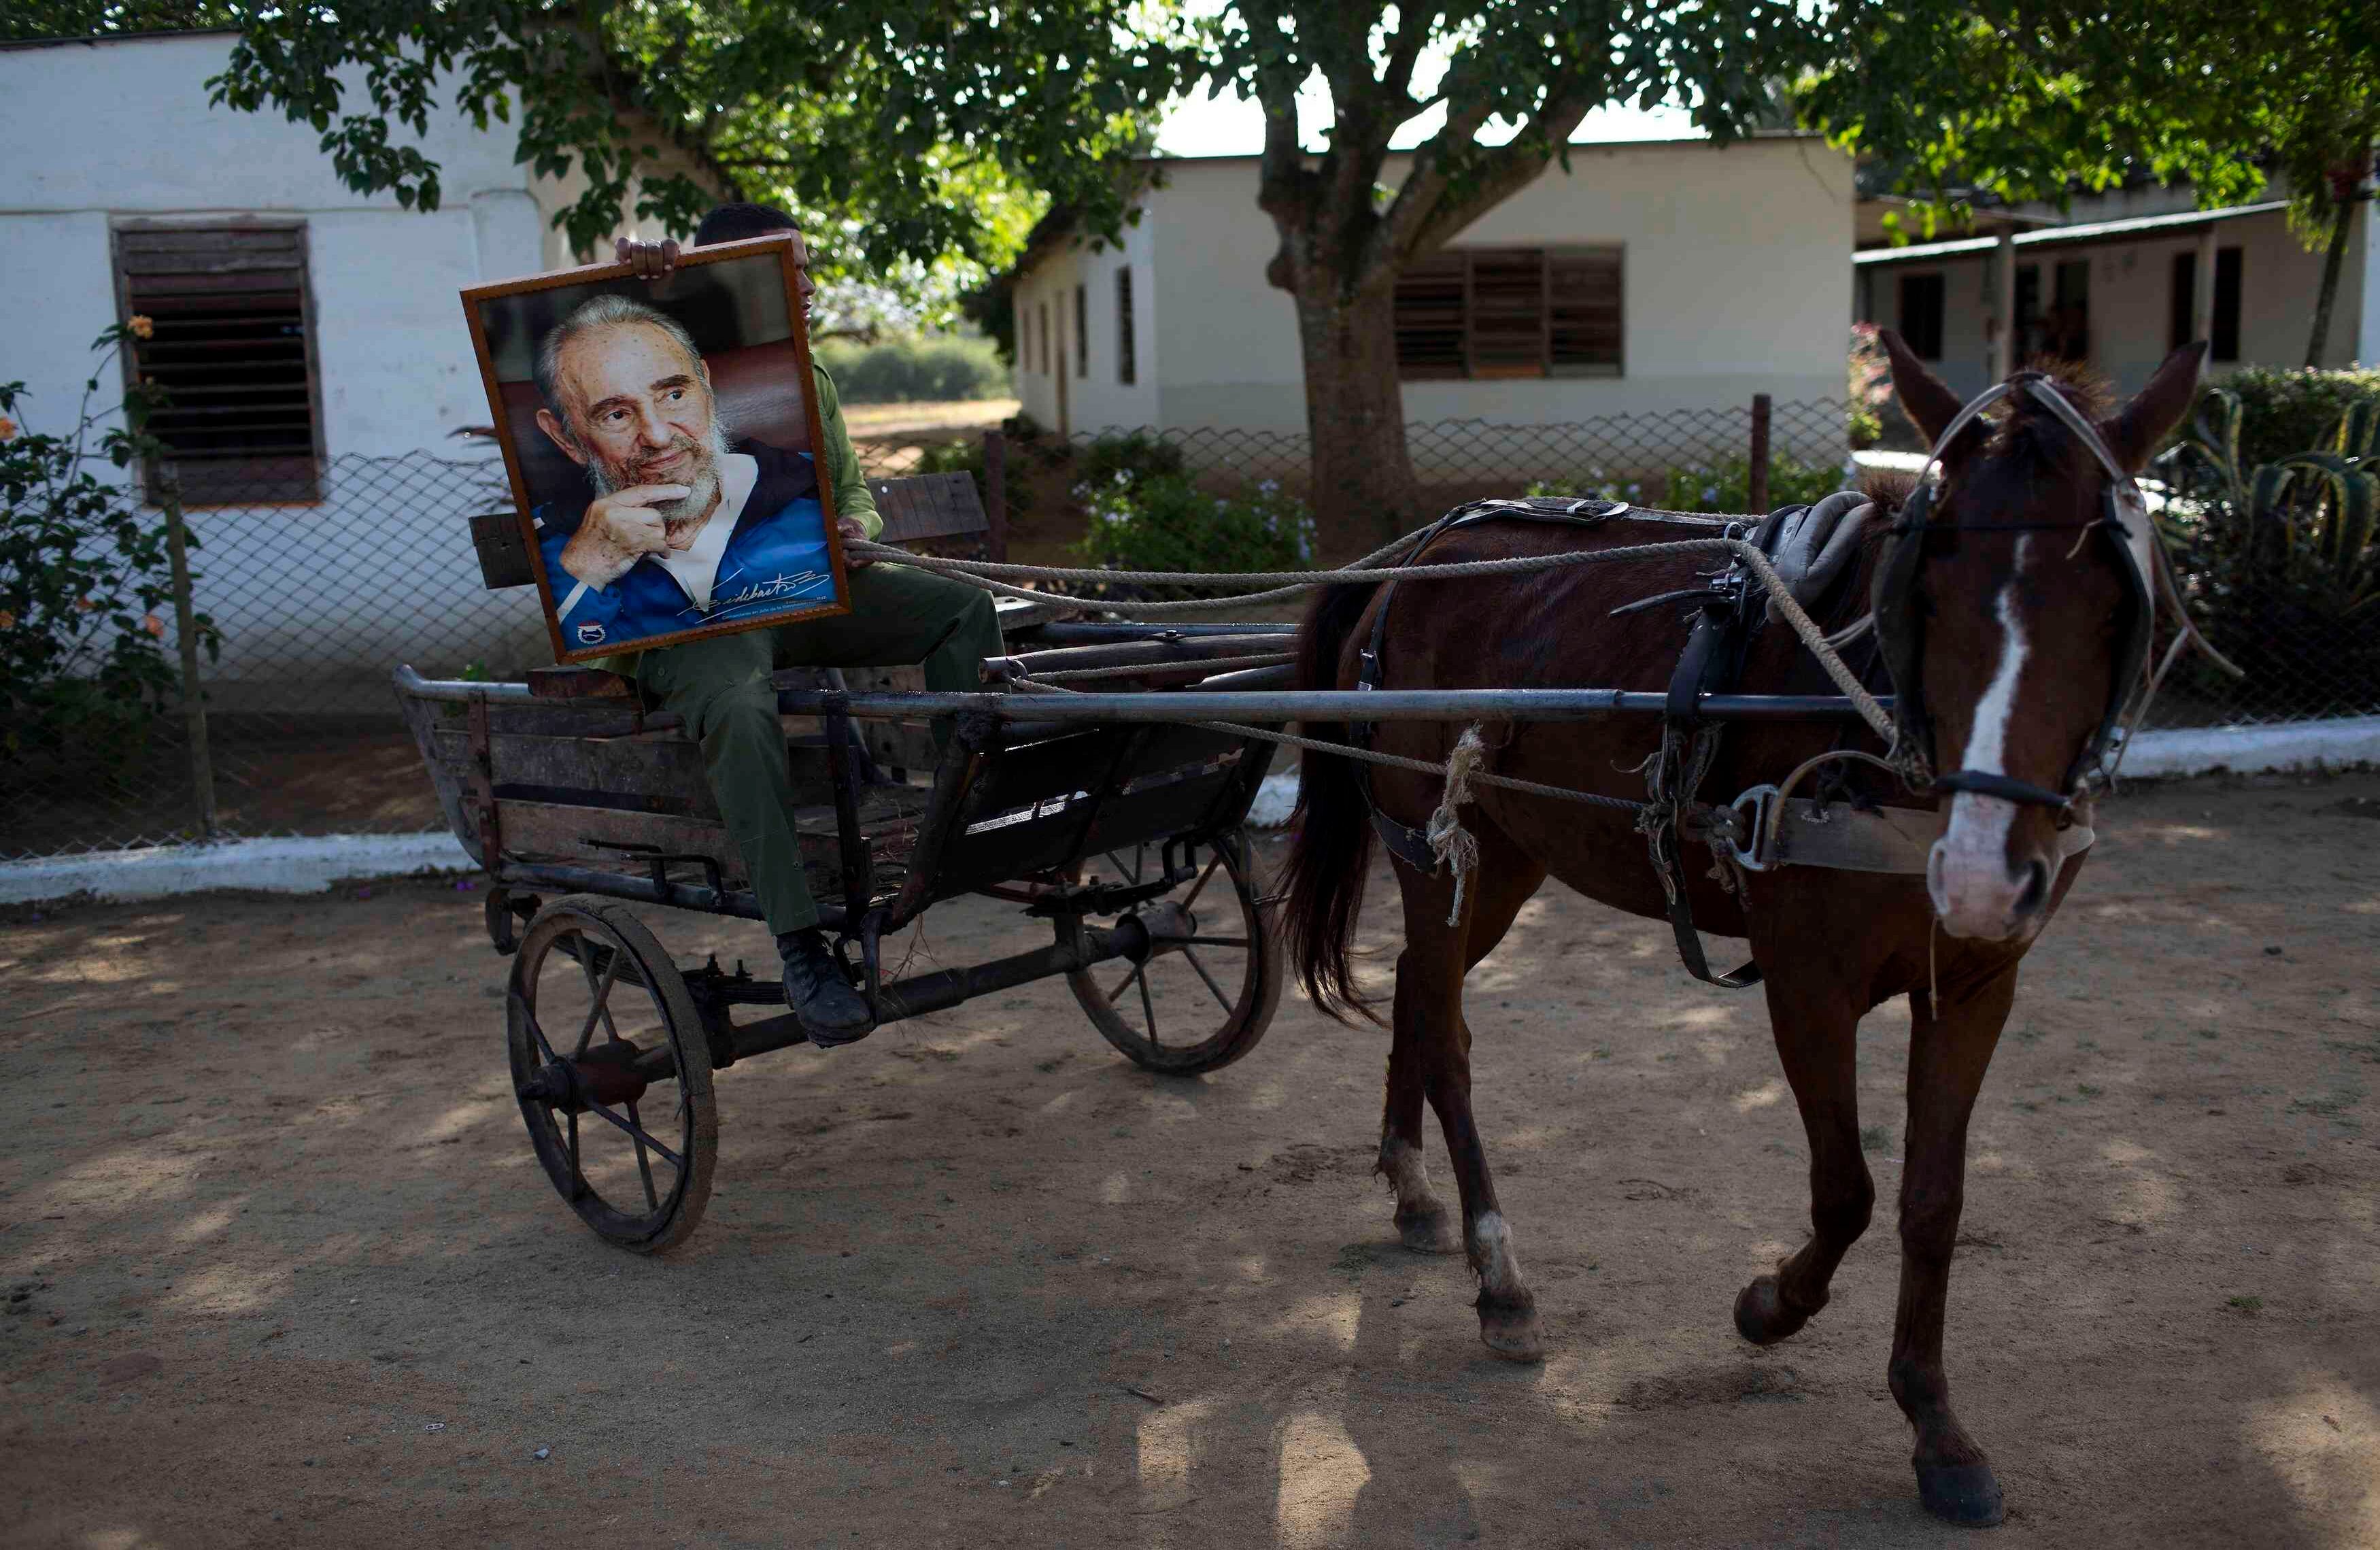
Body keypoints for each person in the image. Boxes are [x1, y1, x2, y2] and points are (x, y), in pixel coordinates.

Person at [592, 204, 1003, 1045]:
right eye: (786, 273)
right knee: (741, 707)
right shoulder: (639, 361)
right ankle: (799, 942)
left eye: (808, 268)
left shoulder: (805, 378)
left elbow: (849, 492)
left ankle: (966, 820)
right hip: (695, 619)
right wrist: (626, 279)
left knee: (964, 606)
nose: (808, 287)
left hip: (800, 594)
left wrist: (859, 533)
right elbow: (577, 337)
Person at [530, 293, 838, 649]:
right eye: (616, 415)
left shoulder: (814, 488)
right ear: (565, 438)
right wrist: (587, 570)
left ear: (705, 386)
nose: (658, 438)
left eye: (674, 395)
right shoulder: (555, 549)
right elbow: (586, 676)